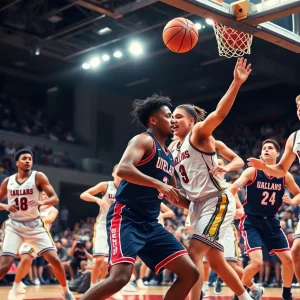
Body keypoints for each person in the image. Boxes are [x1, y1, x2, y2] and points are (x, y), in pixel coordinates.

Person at [81, 94, 199, 300]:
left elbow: (173, 195)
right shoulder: (143, 140)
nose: (172, 120)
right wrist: (158, 183)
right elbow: (124, 169)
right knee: (120, 278)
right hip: (126, 217)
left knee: (191, 273)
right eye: (168, 116)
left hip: (151, 224)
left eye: (174, 117)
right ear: (153, 120)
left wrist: (203, 204)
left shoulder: (168, 155)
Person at [170, 57, 252, 300]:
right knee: (215, 261)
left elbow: (220, 113)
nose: (173, 120)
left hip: (217, 200)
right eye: (171, 117)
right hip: (198, 204)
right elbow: (187, 189)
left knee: (193, 254)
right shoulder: (173, 149)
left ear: (192, 121)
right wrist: (172, 195)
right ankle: (247, 298)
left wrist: (236, 83)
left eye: (179, 116)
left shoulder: (198, 134)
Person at [0, 148, 74, 300]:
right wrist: (5, 206)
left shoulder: (38, 176)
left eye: (30, 159)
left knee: (55, 260)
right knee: (4, 265)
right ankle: (16, 287)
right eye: (24, 158)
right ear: (17, 162)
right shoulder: (8, 181)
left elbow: (55, 198)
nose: (28, 161)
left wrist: (42, 201)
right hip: (14, 225)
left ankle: (66, 291)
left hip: (35, 226)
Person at [232, 139, 298, 300]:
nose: (266, 150)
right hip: (251, 221)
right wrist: (238, 207)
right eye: (264, 148)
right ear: (261, 154)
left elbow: (298, 193)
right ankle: (240, 290)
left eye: (270, 148)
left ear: (278, 154)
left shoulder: (284, 175)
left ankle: (286, 293)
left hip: (272, 222)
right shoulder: (252, 171)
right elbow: (232, 188)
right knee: (256, 264)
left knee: (288, 260)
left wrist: (293, 200)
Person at [247, 94, 300, 286]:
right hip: (257, 221)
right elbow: (281, 169)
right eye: (298, 106)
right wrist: (263, 167)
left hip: (271, 222)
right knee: (295, 252)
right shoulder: (294, 138)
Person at [7, 191, 58, 295]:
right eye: (42, 195)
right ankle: (16, 285)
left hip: (41, 238)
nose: (43, 196)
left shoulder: (52, 210)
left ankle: (19, 281)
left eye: (46, 195)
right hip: (27, 237)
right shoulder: (33, 208)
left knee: (29, 261)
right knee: (25, 258)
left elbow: (49, 219)